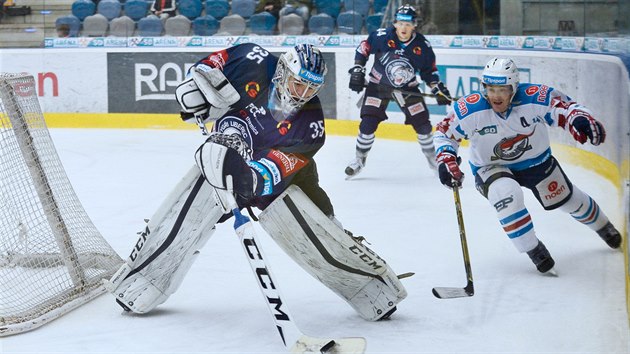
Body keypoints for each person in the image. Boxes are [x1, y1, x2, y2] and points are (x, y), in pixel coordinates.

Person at [107, 43, 407, 322]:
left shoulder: (312, 125)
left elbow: (271, 173)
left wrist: (244, 177)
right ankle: (142, 281)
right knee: (186, 212)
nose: (303, 93)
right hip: (223, 153)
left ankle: (370, 287)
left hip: (285, 180)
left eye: (312, 87)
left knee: (321, 229)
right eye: (298, 82)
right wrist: (196, 89)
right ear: (283, 71)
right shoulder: (251, 58)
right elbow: (204, 70)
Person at [433, 57, 622, 274]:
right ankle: (534, 250)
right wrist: (445, 158)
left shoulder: (534, 96)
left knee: (569, 201)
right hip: (489, 167)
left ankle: (602, 226)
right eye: (490, 89)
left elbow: (565, 107)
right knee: (507, 194)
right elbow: (444, 133)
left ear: (514, 87)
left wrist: (578, 118)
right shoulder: (470, 108)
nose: (495, 96)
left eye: (502, 89)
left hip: (537, 162)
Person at [345, 4, 452, 179]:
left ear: (414, 25)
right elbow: (363, 48)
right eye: (400, 23)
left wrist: (436, 87)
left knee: (423, 126)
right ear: (394, 23)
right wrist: (358, 68)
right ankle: (359, 160)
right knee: (367, 123)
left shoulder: (422, 46)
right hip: (378, 86)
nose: (404, 27)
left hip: (407, 89)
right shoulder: (381, 36)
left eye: (408, 23)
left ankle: (434, 161)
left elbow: (429, 71)